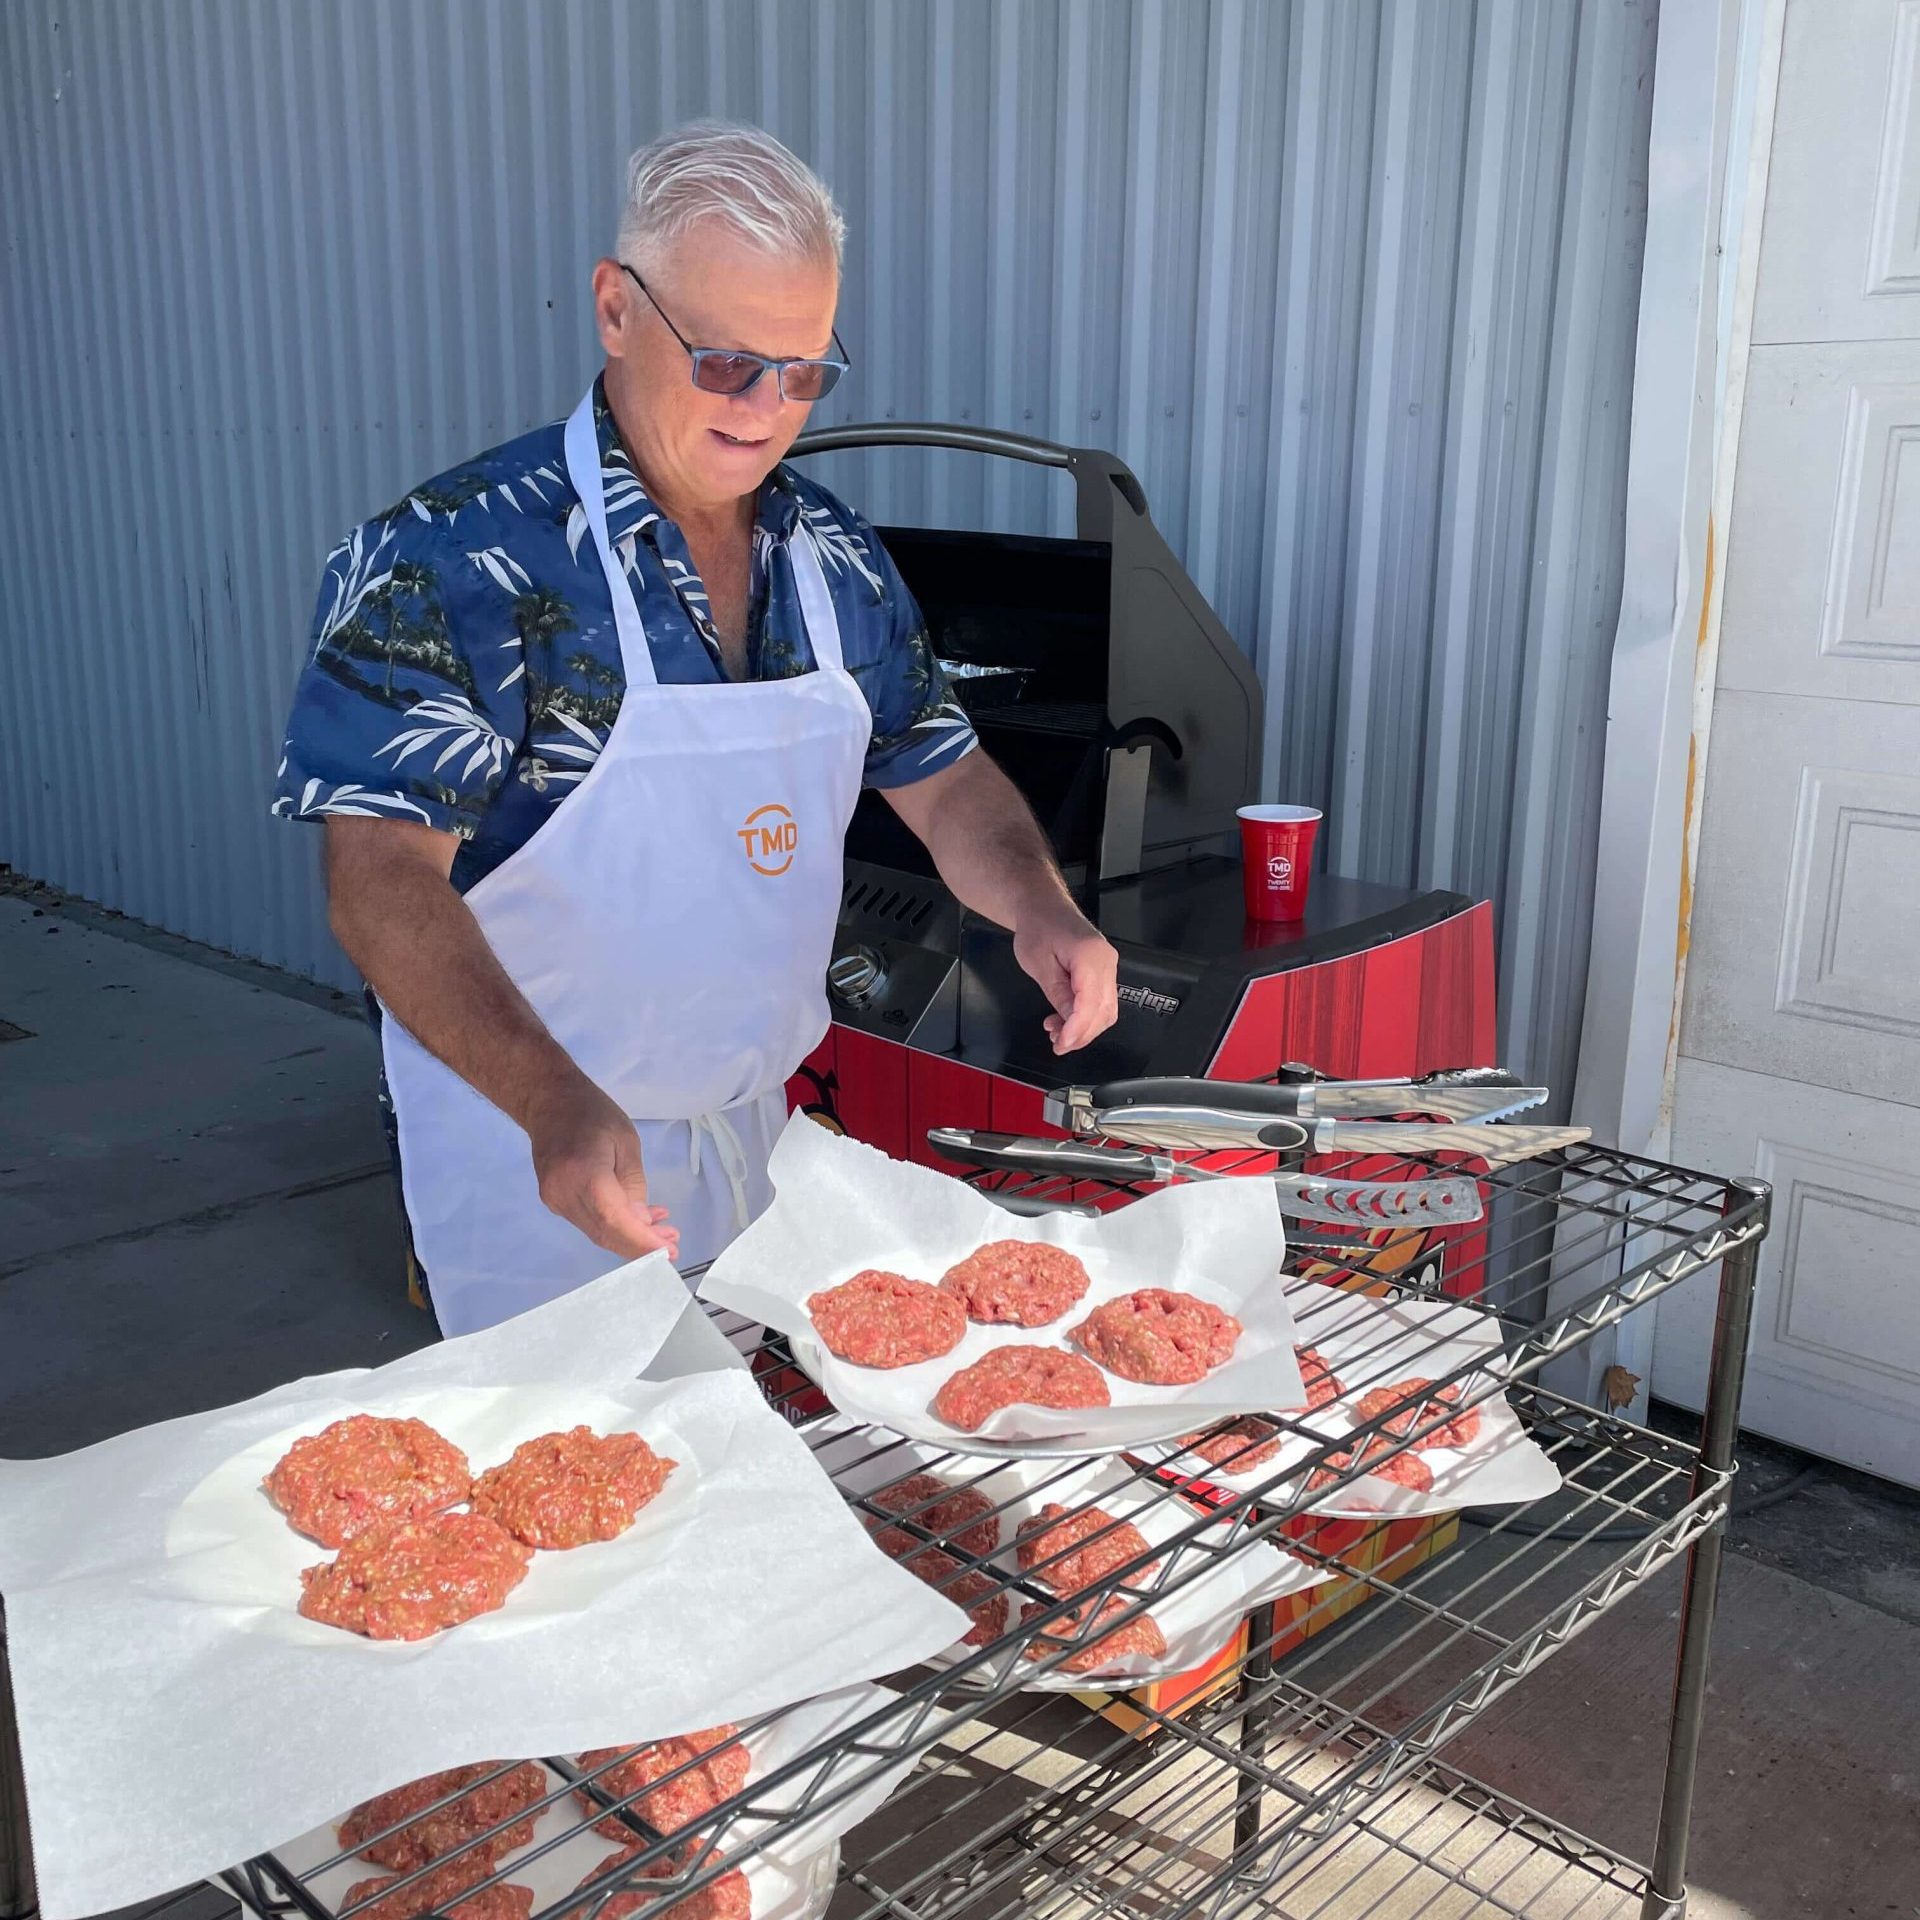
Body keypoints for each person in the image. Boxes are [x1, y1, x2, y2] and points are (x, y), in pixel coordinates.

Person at [273, 121, 1118, 1337]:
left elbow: (943, 778)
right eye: (726, 363)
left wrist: (1041, 906)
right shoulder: (449, 558)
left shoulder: (834, 560)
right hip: (538, 1152)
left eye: (804, 370)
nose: (767, 410)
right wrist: (553, 1099)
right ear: (617, 310)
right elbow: (378, 882)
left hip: (757, 1139)